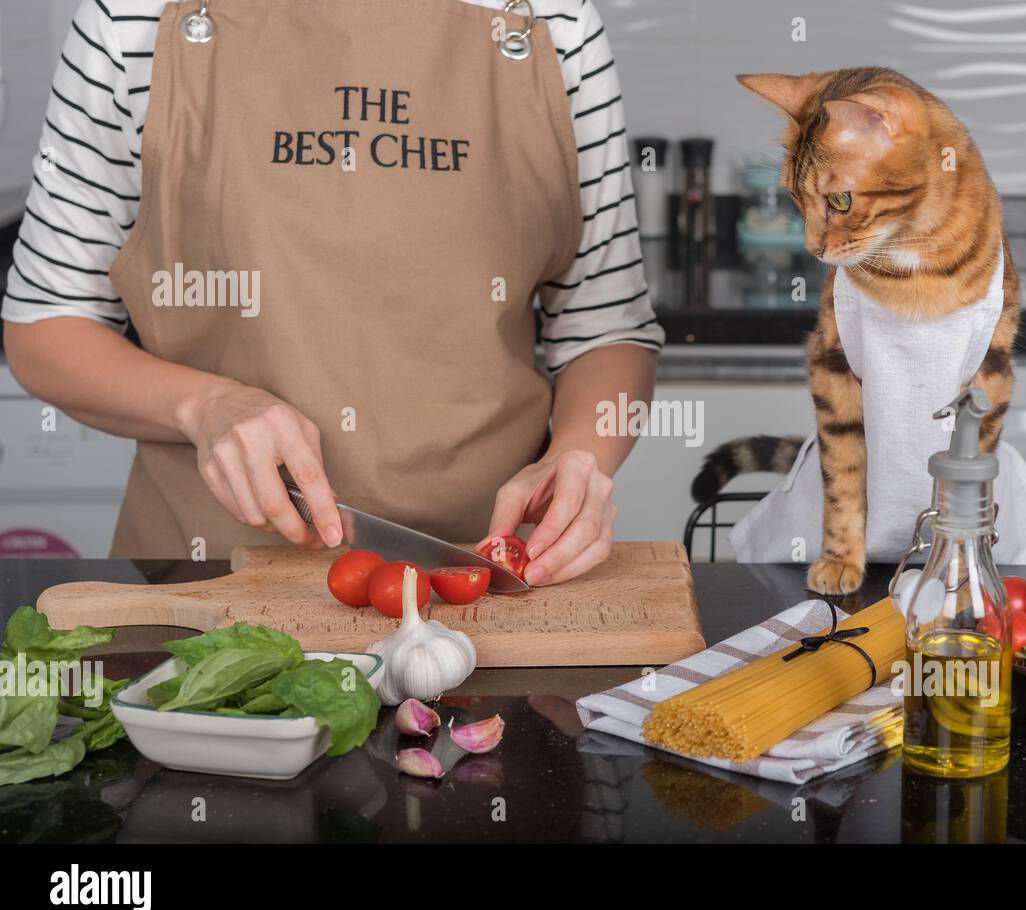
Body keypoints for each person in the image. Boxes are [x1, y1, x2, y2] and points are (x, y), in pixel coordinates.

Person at [1, 0, 662, 586]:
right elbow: (46, 325)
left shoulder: (553, 21)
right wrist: (204, 407)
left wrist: (579, 456)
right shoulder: (132, 18)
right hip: (203, 585)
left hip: (481, 579)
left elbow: (606, 329)